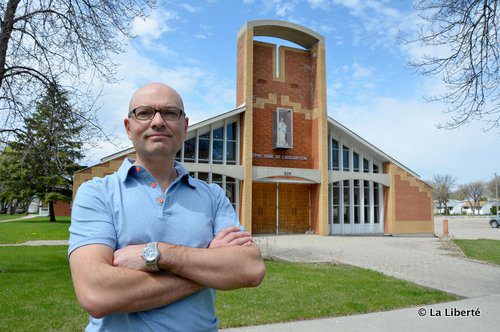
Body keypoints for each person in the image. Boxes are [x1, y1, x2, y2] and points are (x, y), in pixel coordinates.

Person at [68, 82, 265, 331]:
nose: (158, 121)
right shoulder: (97, 193)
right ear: (129, 127)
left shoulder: (213, 196)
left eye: (170, 113)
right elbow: (96, 293)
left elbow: (250, 268)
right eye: (144, 112)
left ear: (184, 127)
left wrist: (159, 253)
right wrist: (205, 268)